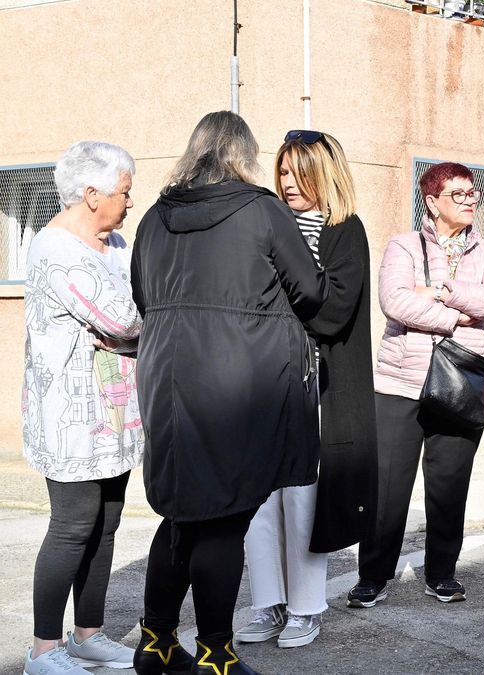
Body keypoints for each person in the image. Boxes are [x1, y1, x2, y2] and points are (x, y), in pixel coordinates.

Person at [130, 111, 327, 675]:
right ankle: (216, 652)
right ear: (244, 155)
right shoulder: (263, 210)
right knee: (225, 517)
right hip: (240, 379)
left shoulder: (153, 218)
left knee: (179, 515)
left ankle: (157, 642)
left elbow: (142, 295)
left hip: (166, 377)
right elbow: (310, 292)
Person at [347, 162, 484, 608]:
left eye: (472, 193)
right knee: (386, 489)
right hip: (400, 383)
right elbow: (394, 301)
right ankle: (373, 577)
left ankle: (441, 573)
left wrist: (439, 291)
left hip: (461, 381)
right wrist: (455, 314)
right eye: (458, 194)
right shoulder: (403, 245)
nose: (470, 201)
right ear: (432, 201)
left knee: (449, 484)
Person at [235, 130, 375, 650]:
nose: (287, 183)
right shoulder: (268, 225)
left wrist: (276, 316)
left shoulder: (344, 230)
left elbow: (335, 310)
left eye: (298, 172)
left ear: (324, 173)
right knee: (259, 500)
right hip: (262, 384)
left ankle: (305, 608)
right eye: (283, 172)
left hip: (316, 385)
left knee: (302, 499)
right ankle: (267, 604)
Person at [22, 141, 141, 675]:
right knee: (73, 525)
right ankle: (43, 650)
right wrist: (130, 332)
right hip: (70, 416)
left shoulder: (112, 242)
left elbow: (137, 309)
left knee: (107, 522)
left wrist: (126, 333)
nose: (130, 202)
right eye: (124, 192)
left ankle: (89, 634)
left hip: (115, 410)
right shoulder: (56, 249)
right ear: (91, 195)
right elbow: (126, 319)